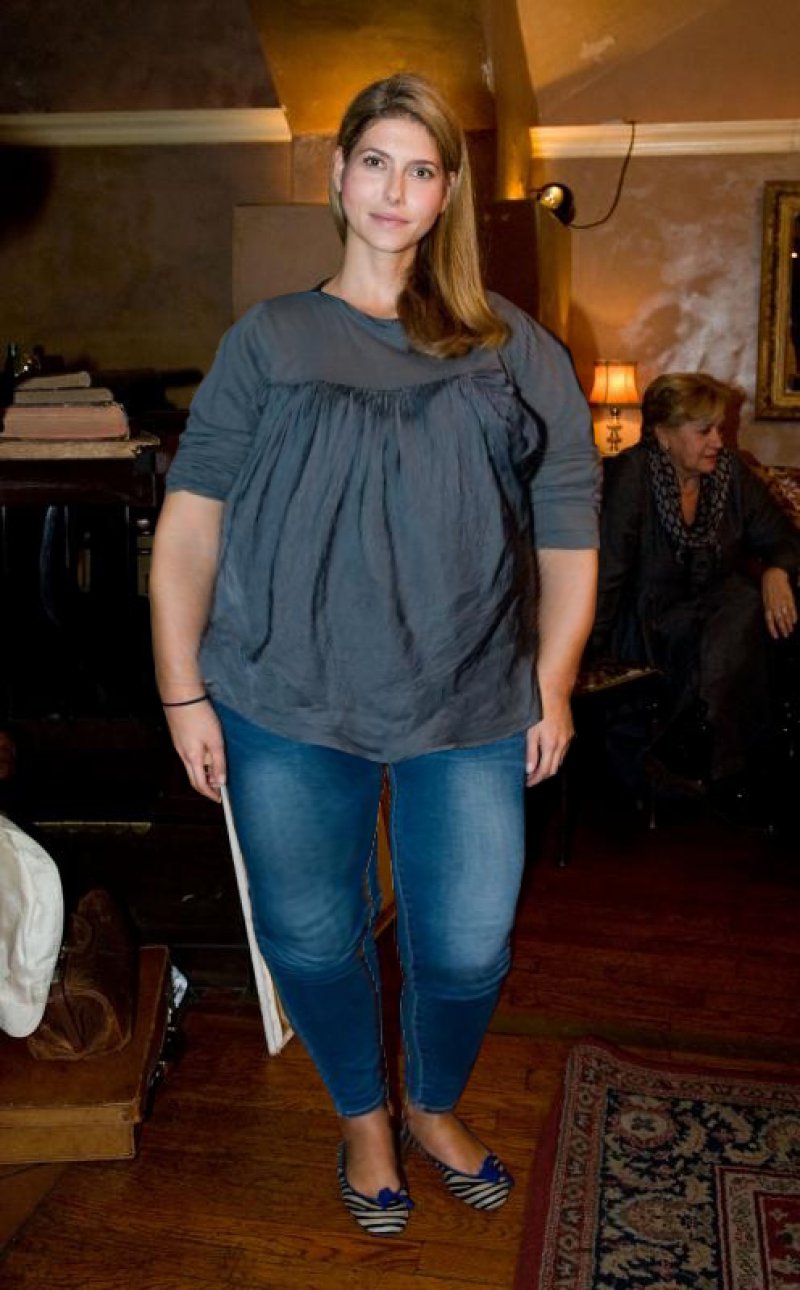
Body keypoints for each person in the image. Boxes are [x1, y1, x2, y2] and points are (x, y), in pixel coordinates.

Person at [150, 72, 598, 1236]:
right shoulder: (269, 339)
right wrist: (181, 692)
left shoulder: (509, 347)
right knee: (309, 935)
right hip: (284, 698)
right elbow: (190, 524)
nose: (394, 190)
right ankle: (361, 1114)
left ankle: (431, 1104)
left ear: (446, 192)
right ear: (339, 175)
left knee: (468, 945)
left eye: (420, 169)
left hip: (469, 699)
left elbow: (567, 526)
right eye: (374, 162)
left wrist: (551, 683)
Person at [589, 371, 800, 818]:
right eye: (705, 431)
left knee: (743, 607)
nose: (718, 441)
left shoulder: (730, 474)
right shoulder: (631, 475)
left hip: (714, 619)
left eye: (719, 429)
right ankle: (719, 770)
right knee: (733, 622)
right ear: (663, 434)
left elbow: (782, 537)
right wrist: (584, 654)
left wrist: (777, 570)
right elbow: (608, 576)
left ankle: (728, 767)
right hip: (648, 626)